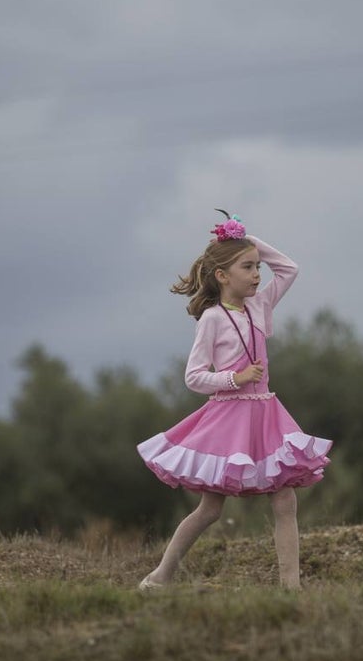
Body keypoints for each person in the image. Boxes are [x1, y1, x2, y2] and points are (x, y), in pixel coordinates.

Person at [136, 211, 332, 590]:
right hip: (228, 421)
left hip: (267, 415)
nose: (258, 274)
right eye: (248, 267)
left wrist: (245, 239)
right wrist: (233, 378)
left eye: (258, 266)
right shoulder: (211, 318)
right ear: (222, 276)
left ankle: (292, 589)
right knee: (210, 510)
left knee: (284, 501)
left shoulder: (261, 306)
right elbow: (193, 377)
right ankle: (159, 577)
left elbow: (289, 269)